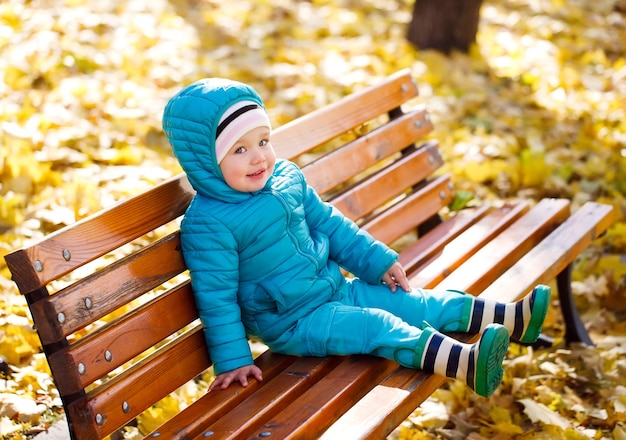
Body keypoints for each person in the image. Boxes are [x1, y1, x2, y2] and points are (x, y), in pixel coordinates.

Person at [162, 78, 551, 398]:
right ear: (206, 163)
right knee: (376, 326)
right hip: (295, 322)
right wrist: (232, 359)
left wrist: (377, 261)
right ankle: (466, 362)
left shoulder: (286, 178)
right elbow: (217, 296)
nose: (259, 157)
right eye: (240, 149)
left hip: (335, 289)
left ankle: (513, 318)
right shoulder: (209, 223)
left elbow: (330, 224)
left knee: (414, 303)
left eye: (263, 141)